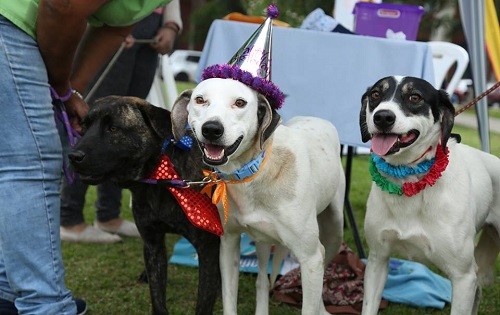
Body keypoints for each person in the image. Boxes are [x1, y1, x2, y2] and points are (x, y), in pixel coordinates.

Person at [0, 0, 171, 314]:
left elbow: (118, 24)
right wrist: (60, 83)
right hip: (10, 24)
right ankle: (45, 306)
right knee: (32, 166)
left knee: (15, 161)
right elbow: (61, 6)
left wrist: (70, 91)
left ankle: (7, 294)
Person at [60, 0, 182, 244]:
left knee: (124, 132)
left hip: (149, 32)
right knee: (92, 125)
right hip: (111, 21)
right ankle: (69, 218)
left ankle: (109, 215)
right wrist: (114, 30)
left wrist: (171, 25)